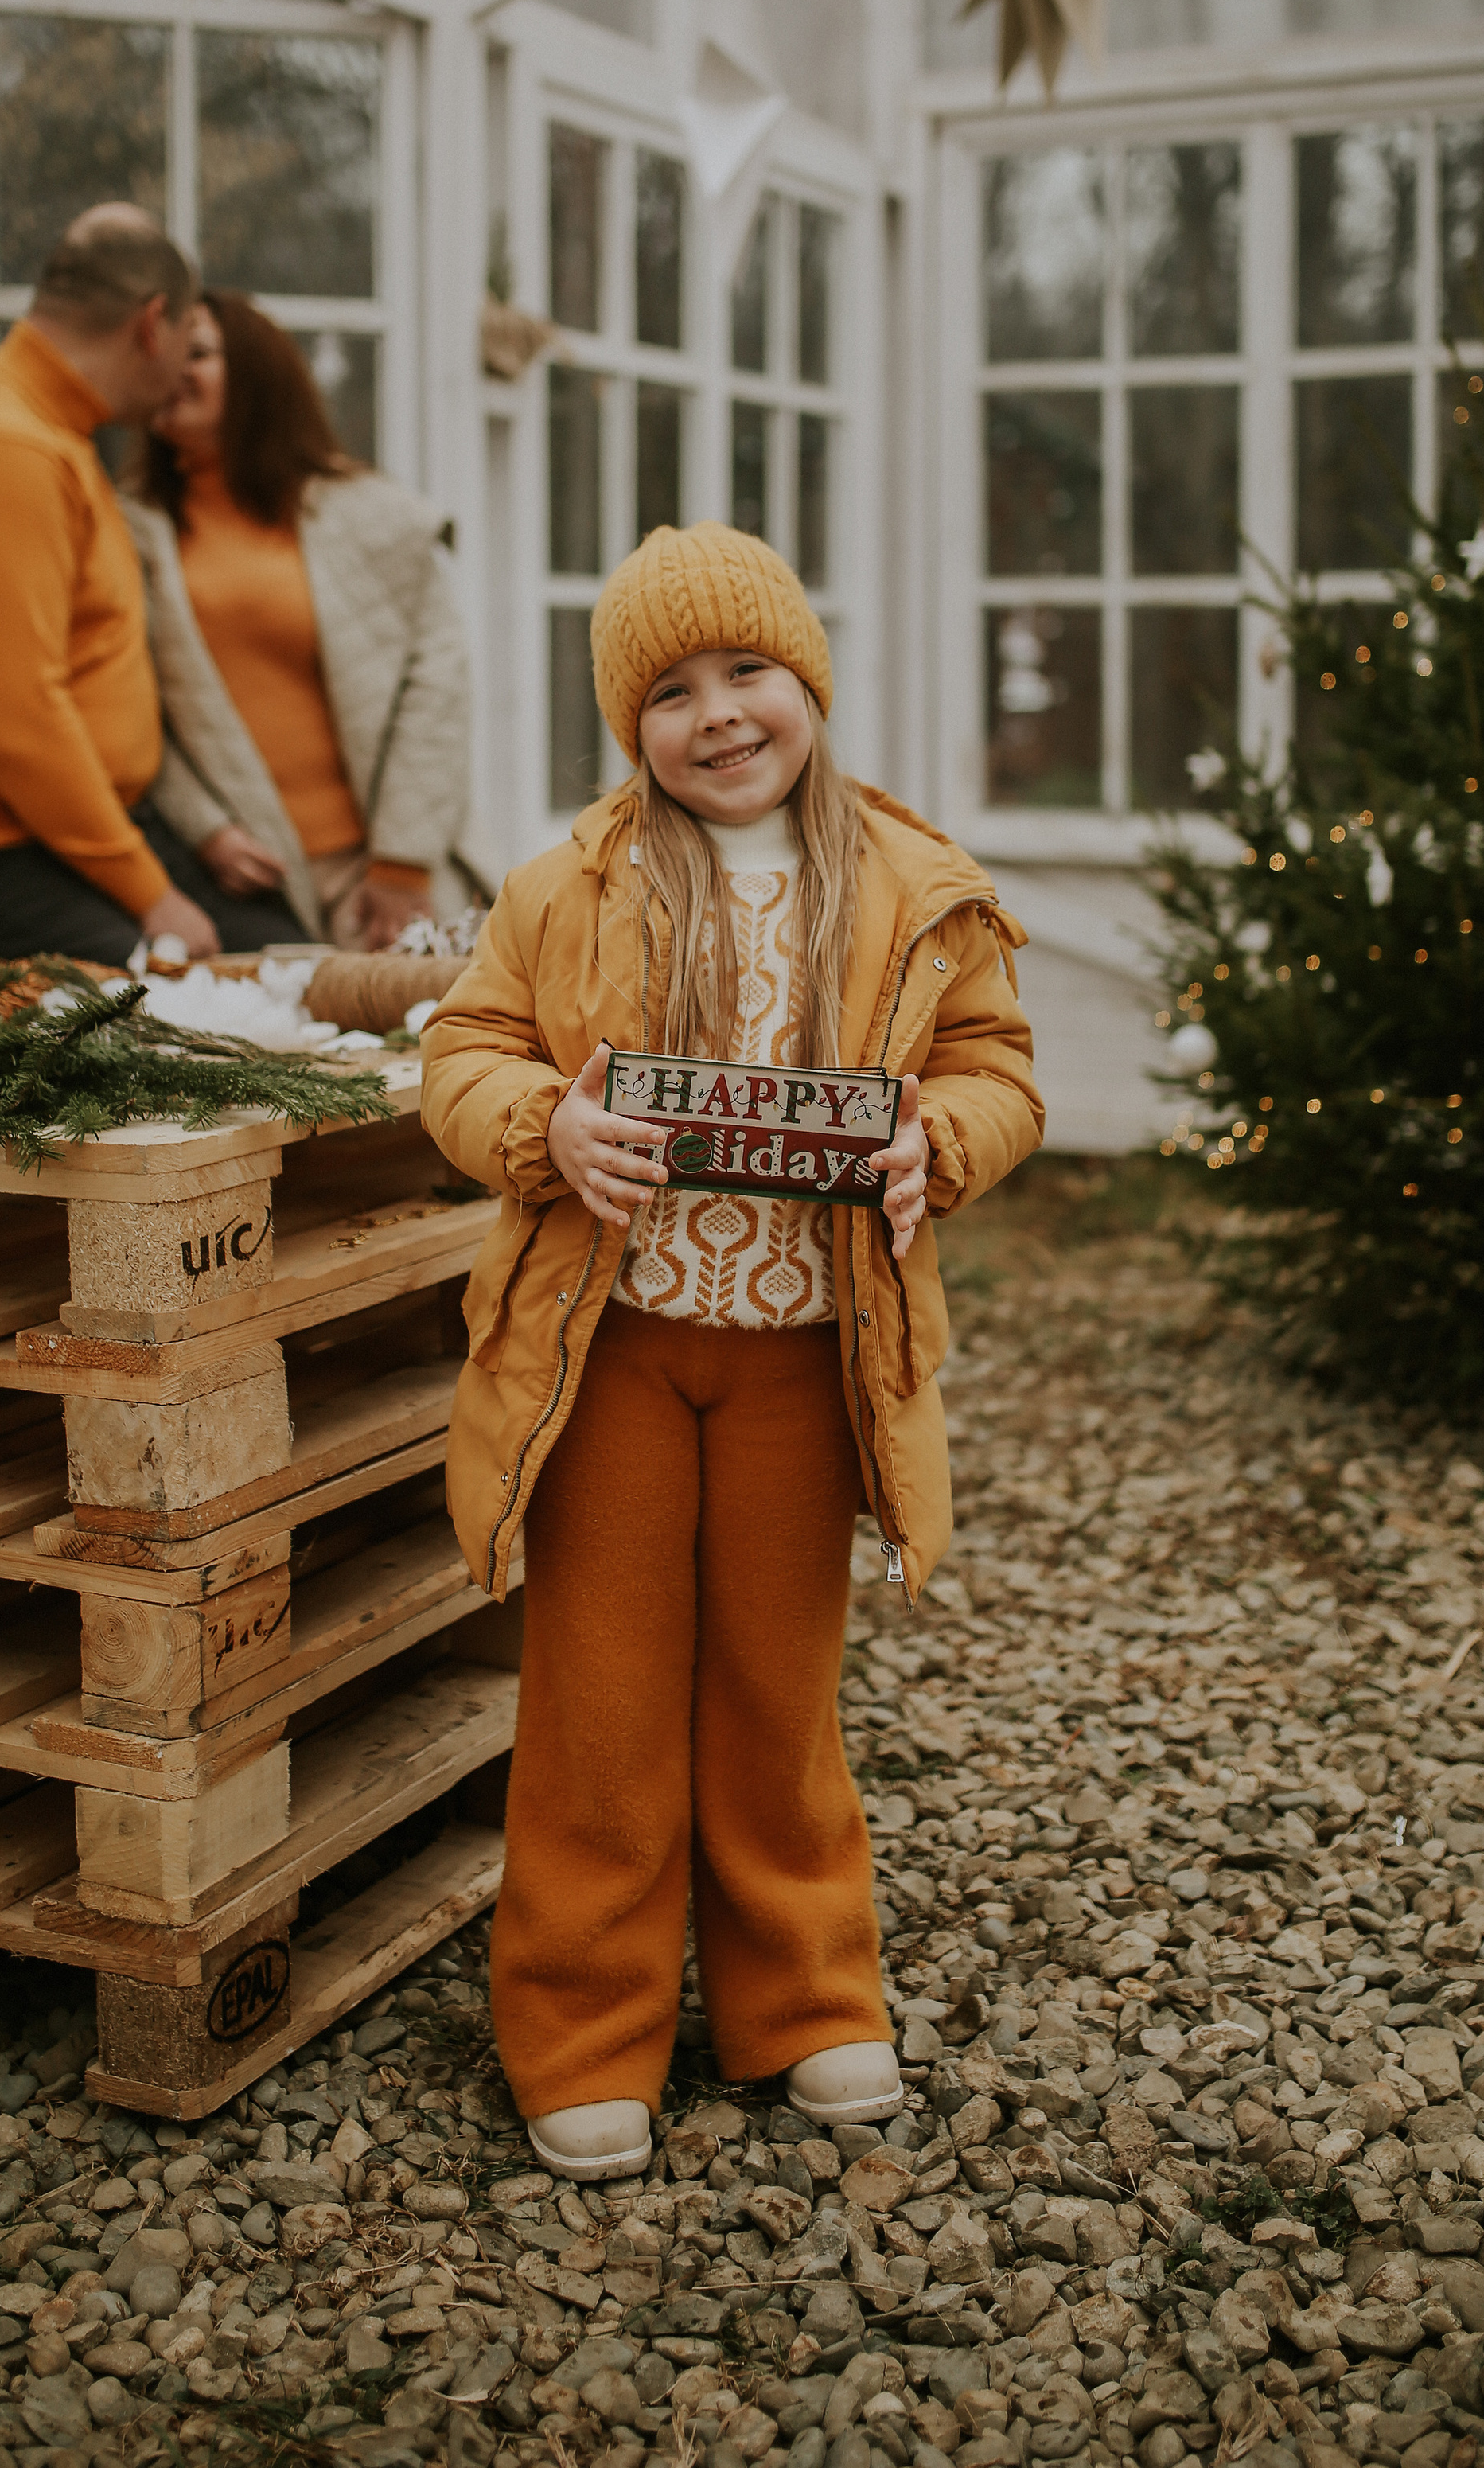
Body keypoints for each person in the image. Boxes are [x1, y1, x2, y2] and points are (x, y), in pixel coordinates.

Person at [419, 522, 1044, 2181]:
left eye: (746, 673)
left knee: (777, 1690)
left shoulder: (909, 887)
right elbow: (461, 1049)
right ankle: (580, 2024)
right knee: (600, 1701)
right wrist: (544, 1124)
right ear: (631, 724)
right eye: (670, 690)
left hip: (799, 1359)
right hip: (614, 1345)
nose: (716, 715)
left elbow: (995, 1067)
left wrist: (942, 1145)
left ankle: (805, 1997)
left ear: (806, 683)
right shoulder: (568, 885)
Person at [0, 204, 247, 963]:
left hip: (56, 835)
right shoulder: (6, 446)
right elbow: (20, 717)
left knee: (277, 955)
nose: (179, 376)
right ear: (152, 323)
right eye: (186, 344)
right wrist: (155, 899)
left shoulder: (50, 433)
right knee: (195, 1015)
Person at [123, 292, 479, 951]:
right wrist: (206, 829)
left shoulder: (369, 511)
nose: (177, 368)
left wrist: (402, 861)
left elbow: (438, 686)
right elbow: (130, 712)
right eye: (165, 351)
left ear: (259, 370)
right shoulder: (127, 529)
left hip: (385, 875)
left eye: (199, 352)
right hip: (245, 886)